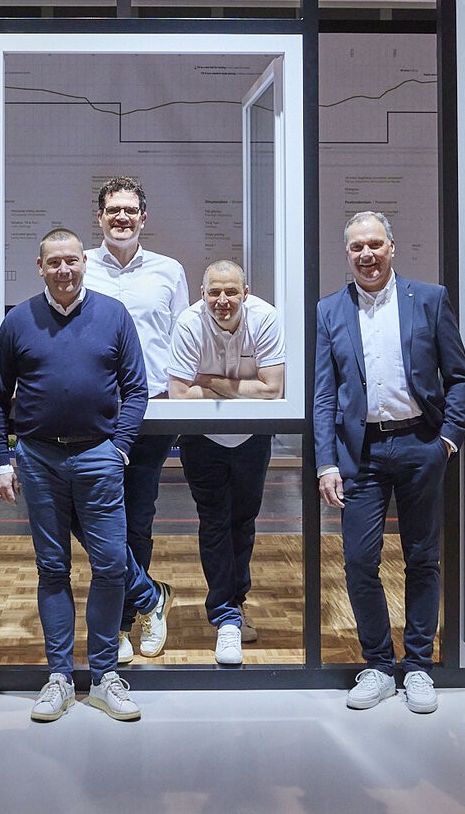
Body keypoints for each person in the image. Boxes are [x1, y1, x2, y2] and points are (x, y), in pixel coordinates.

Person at [0, 228, 148, 722]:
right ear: (40, 267)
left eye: (71, 261)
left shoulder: (113, 315)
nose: (63, 270)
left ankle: (103, 677)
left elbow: (136, 389)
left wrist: (119, 448)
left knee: (111, 567)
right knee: (51, 569)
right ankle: (59, 675)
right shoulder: (18, 320)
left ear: (84, 264)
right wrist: (0, 459)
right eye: (53, 262)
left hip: (99, 456)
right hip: (38, 460)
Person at [314, 211, 465, 714]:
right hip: (359, 454)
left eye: (375, 244)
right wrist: (325, 462)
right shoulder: (329, 311)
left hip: (421, 445)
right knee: (360, 561)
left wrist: (447, 439)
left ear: (392, 247)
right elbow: (323, 396)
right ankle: (380, 666)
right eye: (357, 246)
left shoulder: (429, 299)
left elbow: (460, 378)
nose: (367, 254)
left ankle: (419, 665)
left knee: (423, 558)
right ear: (348, 254)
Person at [84, 175, 186, 661]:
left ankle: (124, 623)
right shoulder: (80, 267)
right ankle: (151, 595)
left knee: (137, 519)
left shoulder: (169, 270)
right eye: (112, 210)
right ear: (99, 217)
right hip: (93, 413)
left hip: (150, 413)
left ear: (143, 218)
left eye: (130, 210)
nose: (121, 217)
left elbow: (183, 339)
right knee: (91, 518)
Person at [166, 260, 285, 666]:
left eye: (231, 292)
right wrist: (242, 390)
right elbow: (179, 397)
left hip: (254, 435)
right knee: (215, 521)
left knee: (244, 520)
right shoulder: (188, 323)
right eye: (214, 292)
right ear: (202, 294)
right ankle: (225, 615)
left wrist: (211, 382)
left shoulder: (266, 318)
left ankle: (236, 601)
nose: (222, 300)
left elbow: (272, 392)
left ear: (245, 293)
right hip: (202, 437)